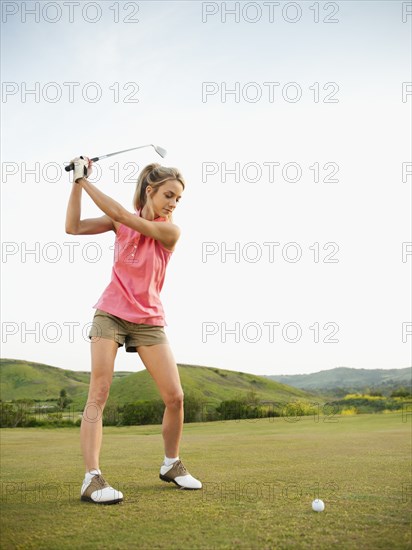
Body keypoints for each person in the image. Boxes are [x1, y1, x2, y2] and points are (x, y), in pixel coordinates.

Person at [65, 156, 202, 505]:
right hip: (110, 313)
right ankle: (92, 479)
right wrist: (75, 185)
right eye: (168, 195)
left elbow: (126, 216)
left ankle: (171, 463)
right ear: (150, 191)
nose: (173, 203)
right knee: (99, 392)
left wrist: (85, 179)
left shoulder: (170, 230)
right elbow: (74, 227)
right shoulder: (119, 221)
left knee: (175, 397)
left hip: (149, 320)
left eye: (178, 199)